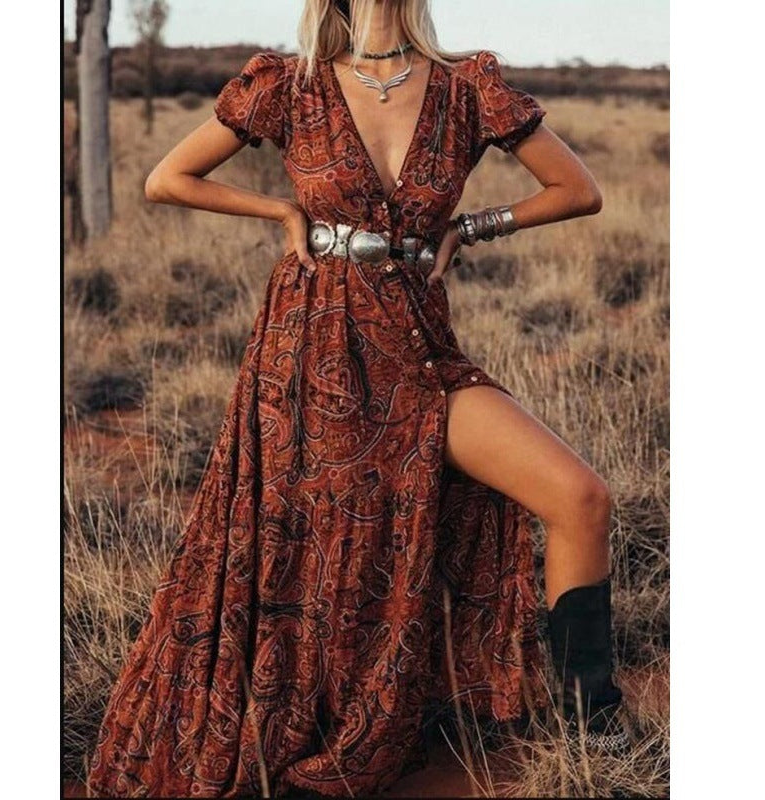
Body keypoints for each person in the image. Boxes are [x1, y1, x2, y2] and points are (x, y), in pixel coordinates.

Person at [86, 0, 630, 796]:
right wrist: (279, 210)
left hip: (418, 347)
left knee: (580, 497)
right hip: (312, 348)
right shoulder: (289, 83)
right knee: (320, 551)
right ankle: (325, 712)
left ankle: (594, 730)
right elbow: (167, 179)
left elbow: (578, 189)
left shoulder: (466, 87)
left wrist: (475, 226)